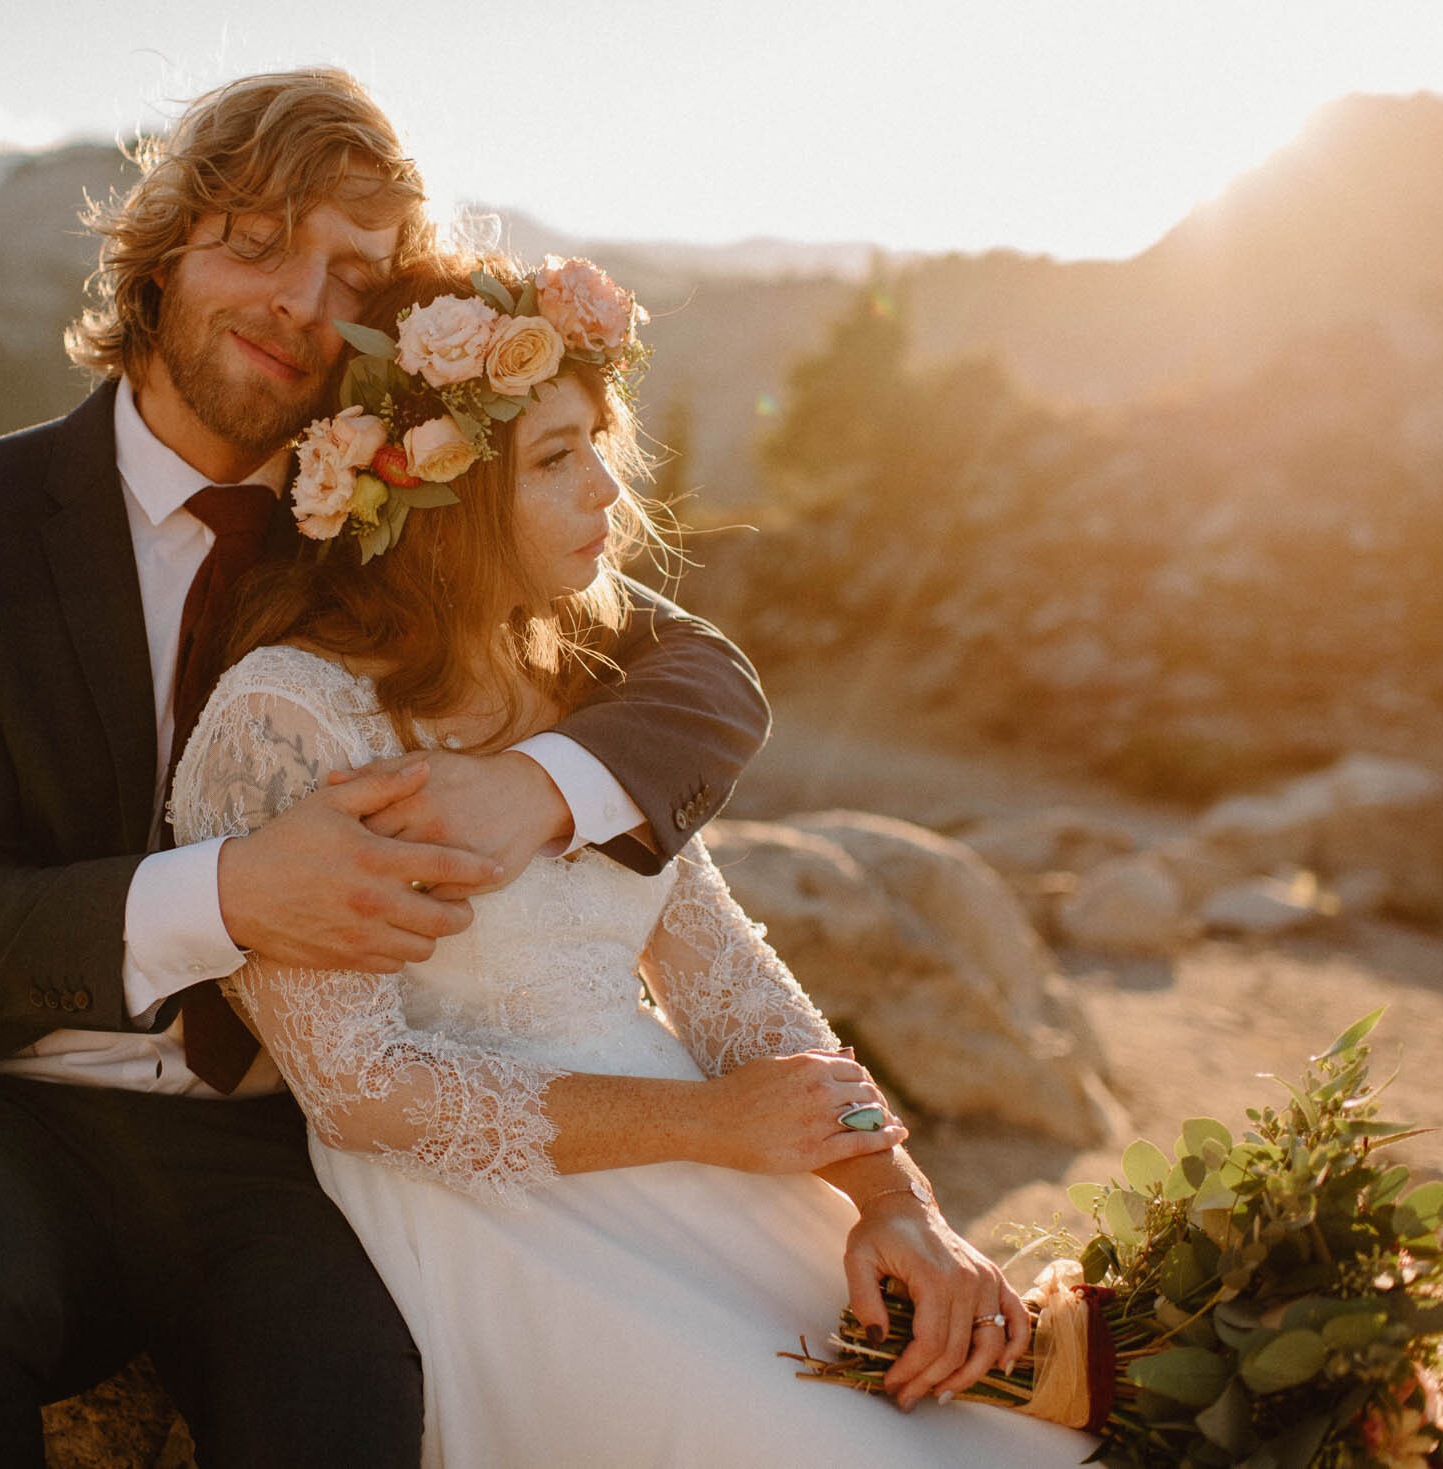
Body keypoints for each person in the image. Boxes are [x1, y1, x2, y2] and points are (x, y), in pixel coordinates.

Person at [0, 70, 780, 1467]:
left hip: (302, 1141)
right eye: (257, 244)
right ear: (159, 256)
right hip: (12, 1107)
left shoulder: (389, 513)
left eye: (352, 275)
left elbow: (700, 677)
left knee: (349, 1400)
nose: (299, 304)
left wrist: (540, 787)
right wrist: (237, 893)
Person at [168, 251, 1100, 1466]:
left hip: (721, 1174)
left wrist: (893, 1198)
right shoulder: (290, 720)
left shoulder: (592, 691)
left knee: (1013, 1436)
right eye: (555, 457)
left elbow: (732, 975)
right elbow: (358, 1085)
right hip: (497, 1226)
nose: (609, 489)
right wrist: (710, 1122)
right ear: (431, 496)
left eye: (599, 441)